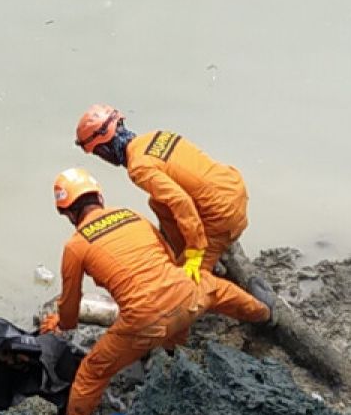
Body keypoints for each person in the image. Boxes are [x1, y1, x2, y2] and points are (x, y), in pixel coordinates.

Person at [40, 167, 275, 415]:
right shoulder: (132, 215)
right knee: (218, 290)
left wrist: (59, 325)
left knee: (92, 371)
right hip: (187, 296)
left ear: (67, 212)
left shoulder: (76, 245)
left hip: (144, 322)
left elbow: (71, 309)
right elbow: (169, 259)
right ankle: (264, 314)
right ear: (100, 198)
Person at [74, 104, 249, 282]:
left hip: (222, 214)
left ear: (104, 149)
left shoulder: (138, 167)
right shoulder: (157, 136)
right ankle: (196, 253)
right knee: (157, 202)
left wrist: (195, 253)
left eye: (98, 154)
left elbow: (181, 202)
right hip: (233, 187)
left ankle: (260, 301)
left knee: (185, 286)